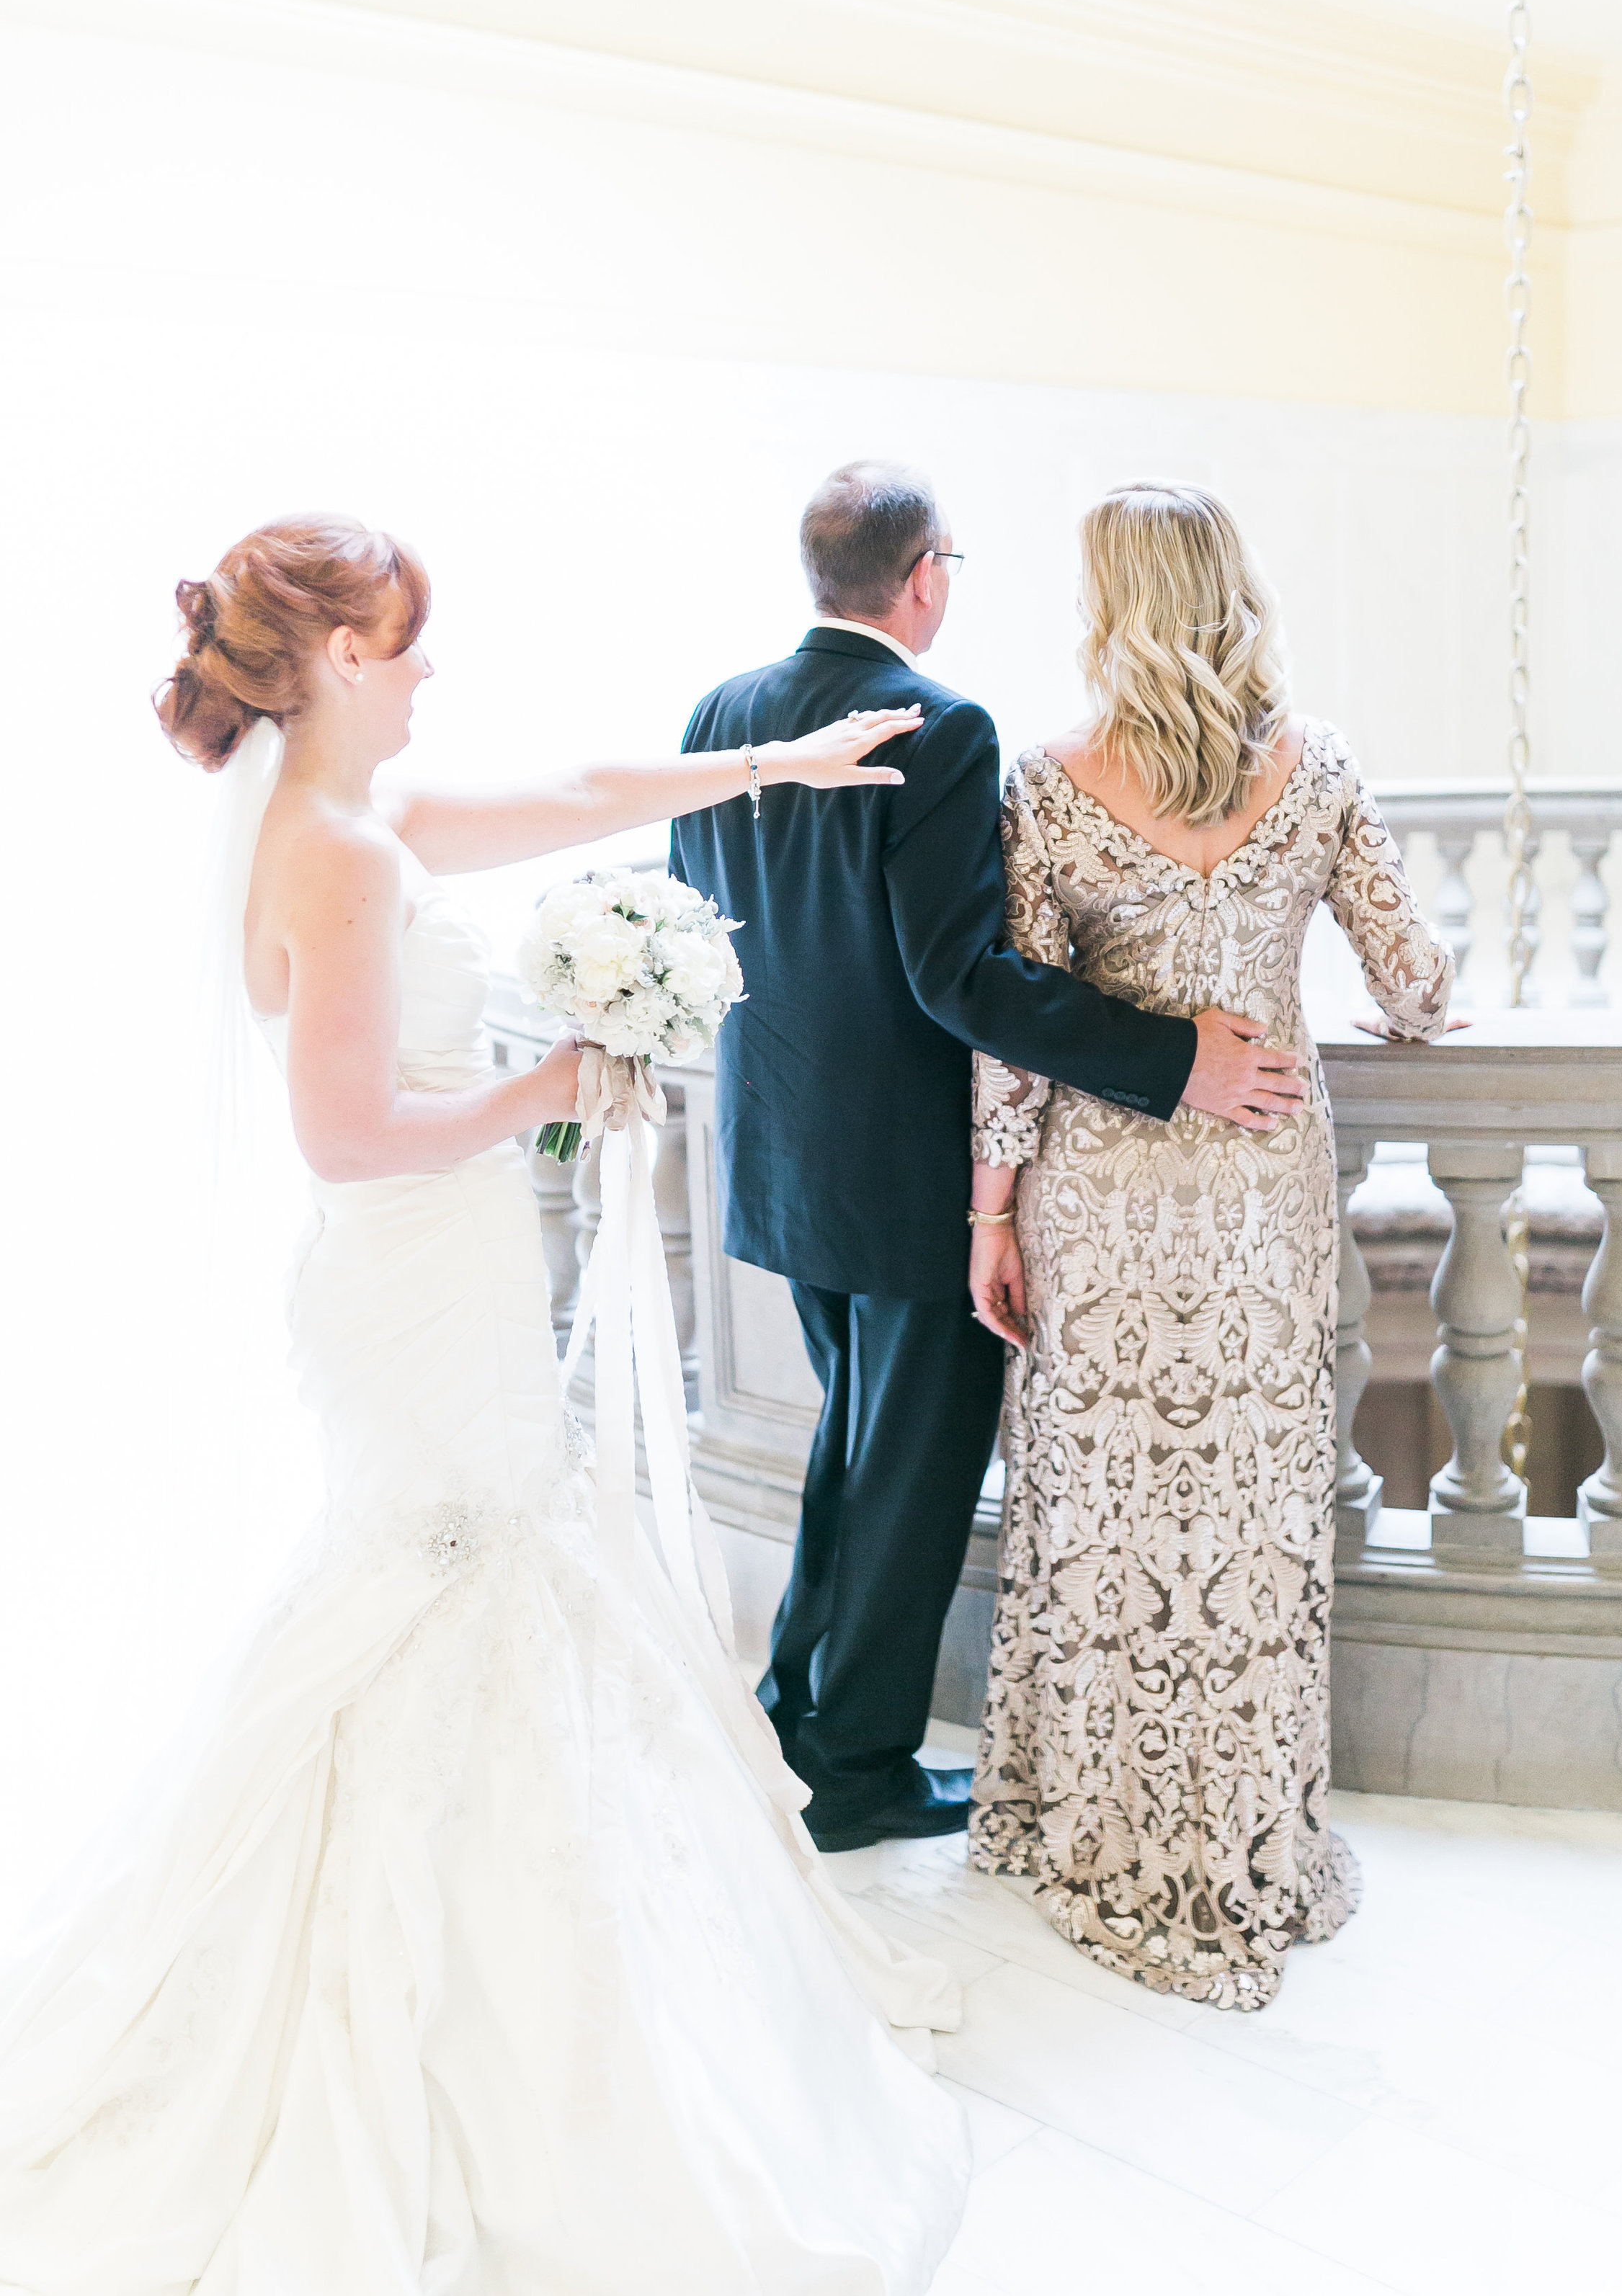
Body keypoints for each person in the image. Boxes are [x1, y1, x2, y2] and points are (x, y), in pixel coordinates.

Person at [0, 514, 971, 2294]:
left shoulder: (354, 820)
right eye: (409, 639)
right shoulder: (342, 856)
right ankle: (437, 2023)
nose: (433, 666)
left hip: (433, 1290)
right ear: (342, 661)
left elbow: (580, 788)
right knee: (446, 1599)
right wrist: (552, 1076)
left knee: (454, 1612)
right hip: (408, 1301)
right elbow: (347, 1133)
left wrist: (782, 758)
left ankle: (513, 1978)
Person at [669, 461, 1306, 1854]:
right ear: (924, 577)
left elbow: (694, 913)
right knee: (910, 1470)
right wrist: (1174, 1057)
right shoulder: (941, 726)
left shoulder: (725, 709)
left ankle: (796, 1711)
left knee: (856, 1446)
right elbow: (965, 978)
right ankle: (857, 1770)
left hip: (781, 1149)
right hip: (906, 1169)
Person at [966, 481, 1452, 2011]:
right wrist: (1402, 1010)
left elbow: (1012, 1042)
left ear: (1110, 605)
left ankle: (1097, 1831)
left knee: (1106, 1509)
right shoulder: (1317, 777)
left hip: (1098, 1197)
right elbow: (1416, 980)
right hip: (1256, 1192)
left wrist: (989, 1211)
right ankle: (1246, 1841)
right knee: (1246, 1520)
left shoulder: (1046, 784)